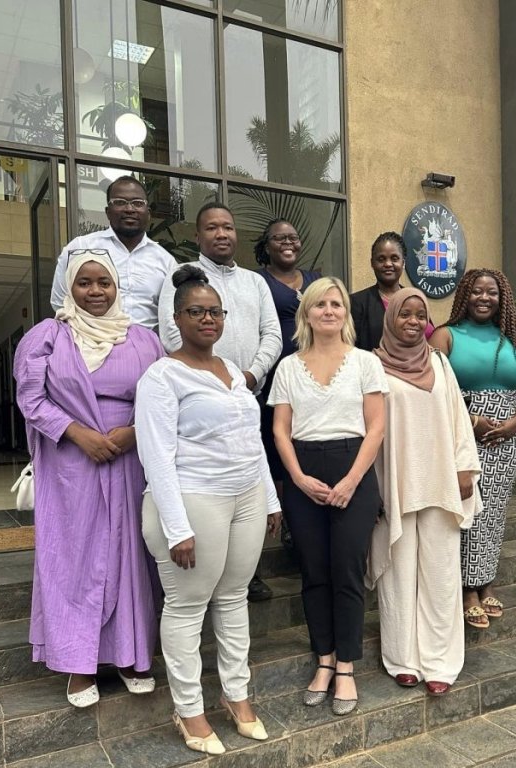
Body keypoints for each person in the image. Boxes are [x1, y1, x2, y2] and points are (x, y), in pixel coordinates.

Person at [136, 265, 282, 755]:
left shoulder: (233, 374)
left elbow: (252, 442)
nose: (207, 319)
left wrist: (271, 498)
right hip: (193, 501)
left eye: (215, 311)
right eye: (195, 311)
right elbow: (155, 455)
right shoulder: (162, 376)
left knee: (234, 597)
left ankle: (236, 696)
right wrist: (177, 527)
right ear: (176, 318)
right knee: (186, 606)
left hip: (246, 497)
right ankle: (189, 710)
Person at [14, 250, 163, 708]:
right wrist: (79, 434)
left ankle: (130, 654)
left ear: (118, 287)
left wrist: (135, 433)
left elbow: (163, 396)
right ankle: (78, 663)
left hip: (128, 459)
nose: (95, 292)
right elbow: (30, 397)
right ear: (69, 287)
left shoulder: (143, 340)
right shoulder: (47, 337)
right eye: (85, 283)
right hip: (71, 466)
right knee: (74, 558)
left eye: (104, 283)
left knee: (130, 556)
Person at [268, 277, 387, 715]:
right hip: (304, 473)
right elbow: (281, 429)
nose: (329, 311)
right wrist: (296, 478)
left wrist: (353, 481)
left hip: (352, 469)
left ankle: (347, 667)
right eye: (320, 305)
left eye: (336, 304)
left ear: (345, 314)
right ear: (308, 313)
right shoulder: (287, 367)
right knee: (314, 571)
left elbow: (375, 427)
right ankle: (323, 660)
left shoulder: (365, 363)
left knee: (348, 571)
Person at [158, 202, 282, 602]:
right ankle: (209, 571)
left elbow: (273, 335)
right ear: (199, 236)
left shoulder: (255, 282)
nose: (222, 234)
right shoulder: (180, 279)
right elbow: (170, 334)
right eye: (212, 228)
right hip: (200, 406)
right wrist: (210, 381)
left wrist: (248, 377)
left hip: (249, 397)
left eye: (228, 227)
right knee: (212, 488)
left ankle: (250, 571)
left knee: (250, 481)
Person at [367, 288, 482, 696]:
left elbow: (457, 418)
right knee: (398, 574)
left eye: (420, 315)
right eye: (405, 315)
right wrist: (370, 490)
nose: (413, 322)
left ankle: (440, 661)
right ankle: (403, 658)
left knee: (441, 573)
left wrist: (465, 467)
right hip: (393, 483)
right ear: (391, 319)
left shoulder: (440, 364)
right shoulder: (371, 366)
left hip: (440, 480)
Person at [431, 269, 516, 629]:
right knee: (464, 510)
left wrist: (515, 423)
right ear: (464, 295)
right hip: (460, 434)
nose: (484, 298)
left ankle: (486, 582)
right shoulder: (446, 336)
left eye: (491, 292)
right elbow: (432, 388)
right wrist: (472, 419)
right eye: (476, 291)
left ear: (501, 298)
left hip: (506, 437)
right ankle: (465, 589)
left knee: (492, 512)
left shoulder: (515, 339)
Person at [50, 176, 176, 330]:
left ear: (148, 213)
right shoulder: (80, 247)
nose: (129, 209)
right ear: (107, 212)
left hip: (147, 349)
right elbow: (60, 302)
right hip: (90, 346)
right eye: (120, 202)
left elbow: (172, 314)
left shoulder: (166, 261)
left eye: (138, 203)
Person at [350, 232, 434, 351]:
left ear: (403, 263)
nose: (388, 264)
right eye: (381, 259)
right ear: (372, 263)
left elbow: (430, 338)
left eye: (394, 258)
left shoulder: (416, 299)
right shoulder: (356, 303)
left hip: (417, 367)